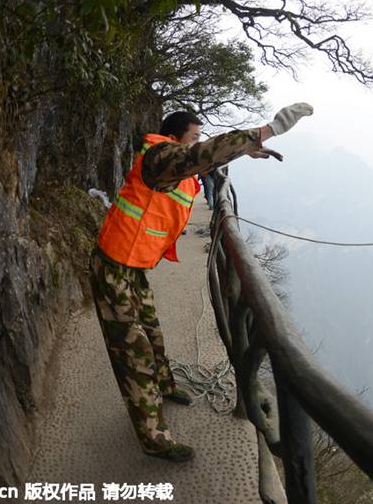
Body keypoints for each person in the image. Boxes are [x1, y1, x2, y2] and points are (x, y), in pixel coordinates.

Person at [89, 103, 313, 462]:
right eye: (193, 137)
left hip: (131, 264)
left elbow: (200, 161)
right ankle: (154, 438)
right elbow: (198, 156)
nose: (198, 142)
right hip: (113, 264)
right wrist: (263, 132)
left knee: (151, 330)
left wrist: (244, 152)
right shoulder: (160, 156)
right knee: (134, 350)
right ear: (175, 138)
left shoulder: (171, 163)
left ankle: (163, 385)